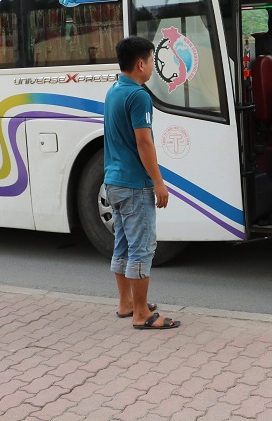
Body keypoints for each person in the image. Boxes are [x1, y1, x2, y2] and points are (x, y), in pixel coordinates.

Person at [104, 36, 180, 330]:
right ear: (140, 64)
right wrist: (158, 182)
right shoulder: (139, 96)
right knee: (142, 249)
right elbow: (144, 142)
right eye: (151, 60)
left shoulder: (114, 90)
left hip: (114, 181)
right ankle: (141, 314)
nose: (152, 66)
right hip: (135, 184)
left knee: (122, 244)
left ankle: (126, 304)